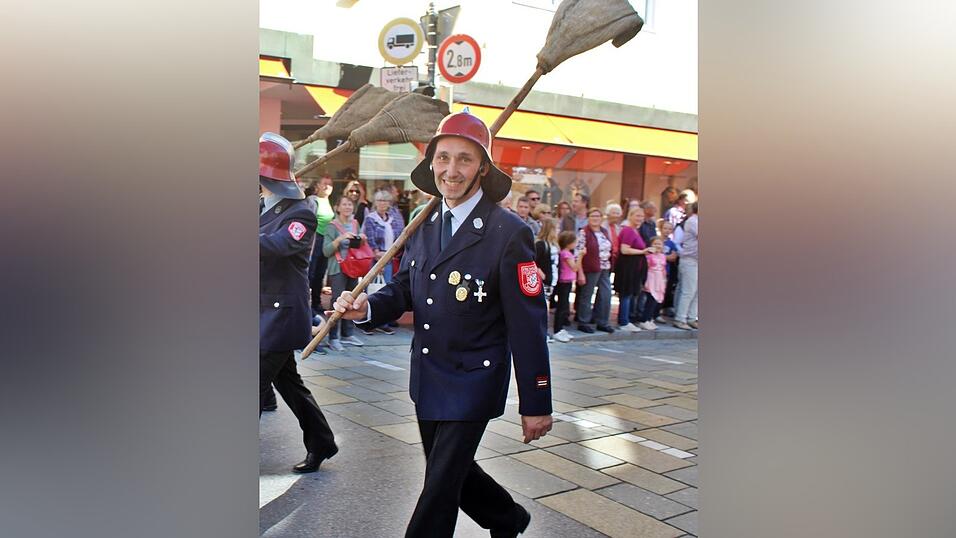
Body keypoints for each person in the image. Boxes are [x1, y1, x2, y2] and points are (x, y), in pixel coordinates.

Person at [330, 111, 552, 538]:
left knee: (437, 490)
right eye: (443, 158)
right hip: (429, 376)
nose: (452, 170)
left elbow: (528, 325)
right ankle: (507, 518)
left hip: (473, 381)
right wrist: (367, 309)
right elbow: (404, 289)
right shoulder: (425, 225)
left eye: (465, 159)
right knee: (451, 473)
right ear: (431, 163)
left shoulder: (509, 233)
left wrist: (536, 401)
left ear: (483, 168)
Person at [257, 132, 338, 473]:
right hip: (262, 313)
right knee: (289, 385)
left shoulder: (301, 213)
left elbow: (277, 246)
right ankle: (321, 442)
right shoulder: (262, 207)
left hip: (282, 316)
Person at [322, 196, 367, 351]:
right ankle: (333, 337)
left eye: (350, 204)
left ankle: (347, 334)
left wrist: (362, 239)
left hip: (354, 267)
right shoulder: (331, 226)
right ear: (338, 207)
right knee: (337, 302)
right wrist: (340, 238)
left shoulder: (355, 224)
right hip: (338, 268)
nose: (348, 207)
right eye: (344, 204)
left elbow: (359, 245)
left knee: (352, 300)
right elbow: (326, 251)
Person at [361, 188, 405, 335]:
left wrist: (392, 253)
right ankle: (368, 322)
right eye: (379, 200)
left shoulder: (393, 218)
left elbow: (400, 236)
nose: (382, 203)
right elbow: (370, 239)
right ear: (375, 202)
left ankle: (383, 322)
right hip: (376, 259)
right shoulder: (370, 218)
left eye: (385, 200)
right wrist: (378, 256)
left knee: (387, 289)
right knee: (372, 289)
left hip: (389, 257)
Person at [574, 207, 615, 334]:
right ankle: (583, 321)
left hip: (604, 267)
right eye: (592, 216)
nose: (595, 219)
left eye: (598, 216)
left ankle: (602, 321)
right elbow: (578, 252)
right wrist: (580, 272)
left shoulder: (604, 231)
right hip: (590, 267)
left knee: (606, 294)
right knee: (587, 294)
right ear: (588, 218)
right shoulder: (584, 232)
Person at [614, 208, 653, 332]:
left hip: (635, 266)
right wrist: (643, 251)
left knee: (630, 293)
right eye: (637, 216)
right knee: (626, 293)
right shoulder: (628, 231)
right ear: (630, 216)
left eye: (641, 216)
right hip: (628, 266)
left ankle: (627, 319)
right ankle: (624, 321)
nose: (640, 218)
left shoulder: (636, 231)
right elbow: (624, 249)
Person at [307, 176, 335, 318]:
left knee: (320, 274)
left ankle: (316, 303)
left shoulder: (328, 201)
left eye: (330, 184)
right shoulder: (312, 200)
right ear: (317, 185)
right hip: (315, 240)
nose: (327, 187)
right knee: (311, 274)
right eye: (324, 184)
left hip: (326, 240)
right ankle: (308, 305)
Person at [553, 231, 583, 343]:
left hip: (568, 281)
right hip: (564, 281)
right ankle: (558, 329)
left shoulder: (567, 253)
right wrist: (580, 256)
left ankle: (561, 328)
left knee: (565, 306)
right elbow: (574, 267)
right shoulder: (566, 254)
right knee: (562, 305)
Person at [673, 202, 699, 330]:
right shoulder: (693, 221)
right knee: (689, 291)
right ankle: (680, 318)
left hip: (697, 260)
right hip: (690, 260)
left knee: (697, 292)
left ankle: (691, 317)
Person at [534, 217, 559, 342]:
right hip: (544, 280)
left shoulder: (553, 244)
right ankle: (542, 332)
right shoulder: (541, 244)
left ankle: (544, 332)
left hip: (552, 279)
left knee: (546, 305)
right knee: (544, 307)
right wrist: (541, 274)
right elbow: (533, 261)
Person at [636, 236, 667, 330]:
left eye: (659, 244)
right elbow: (645, 268)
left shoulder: (662, 256)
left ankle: (650, 319)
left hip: (659, 279)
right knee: (650, 300)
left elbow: (663, 269)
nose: (657, 246)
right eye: (655, 243)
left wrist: (664, 279)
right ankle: (644, 320)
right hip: (651, 278)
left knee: (655, 301)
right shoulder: (648, 256)